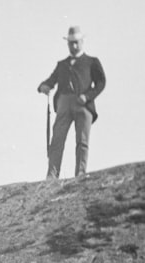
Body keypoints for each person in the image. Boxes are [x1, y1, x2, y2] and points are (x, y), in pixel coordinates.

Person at [38, 26, 106, 178]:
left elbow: (101, 83)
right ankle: (52, 176)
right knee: (57, 141)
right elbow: (52, 79)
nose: (74, 46)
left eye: (76, 42)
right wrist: (44, 86)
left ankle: (80, 174)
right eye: (71, 43)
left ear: (82, 42)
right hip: (63, 103)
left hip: (83, 104)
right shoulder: (62, 64)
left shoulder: (92, 62)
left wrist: (88, 96)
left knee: (82, 142)